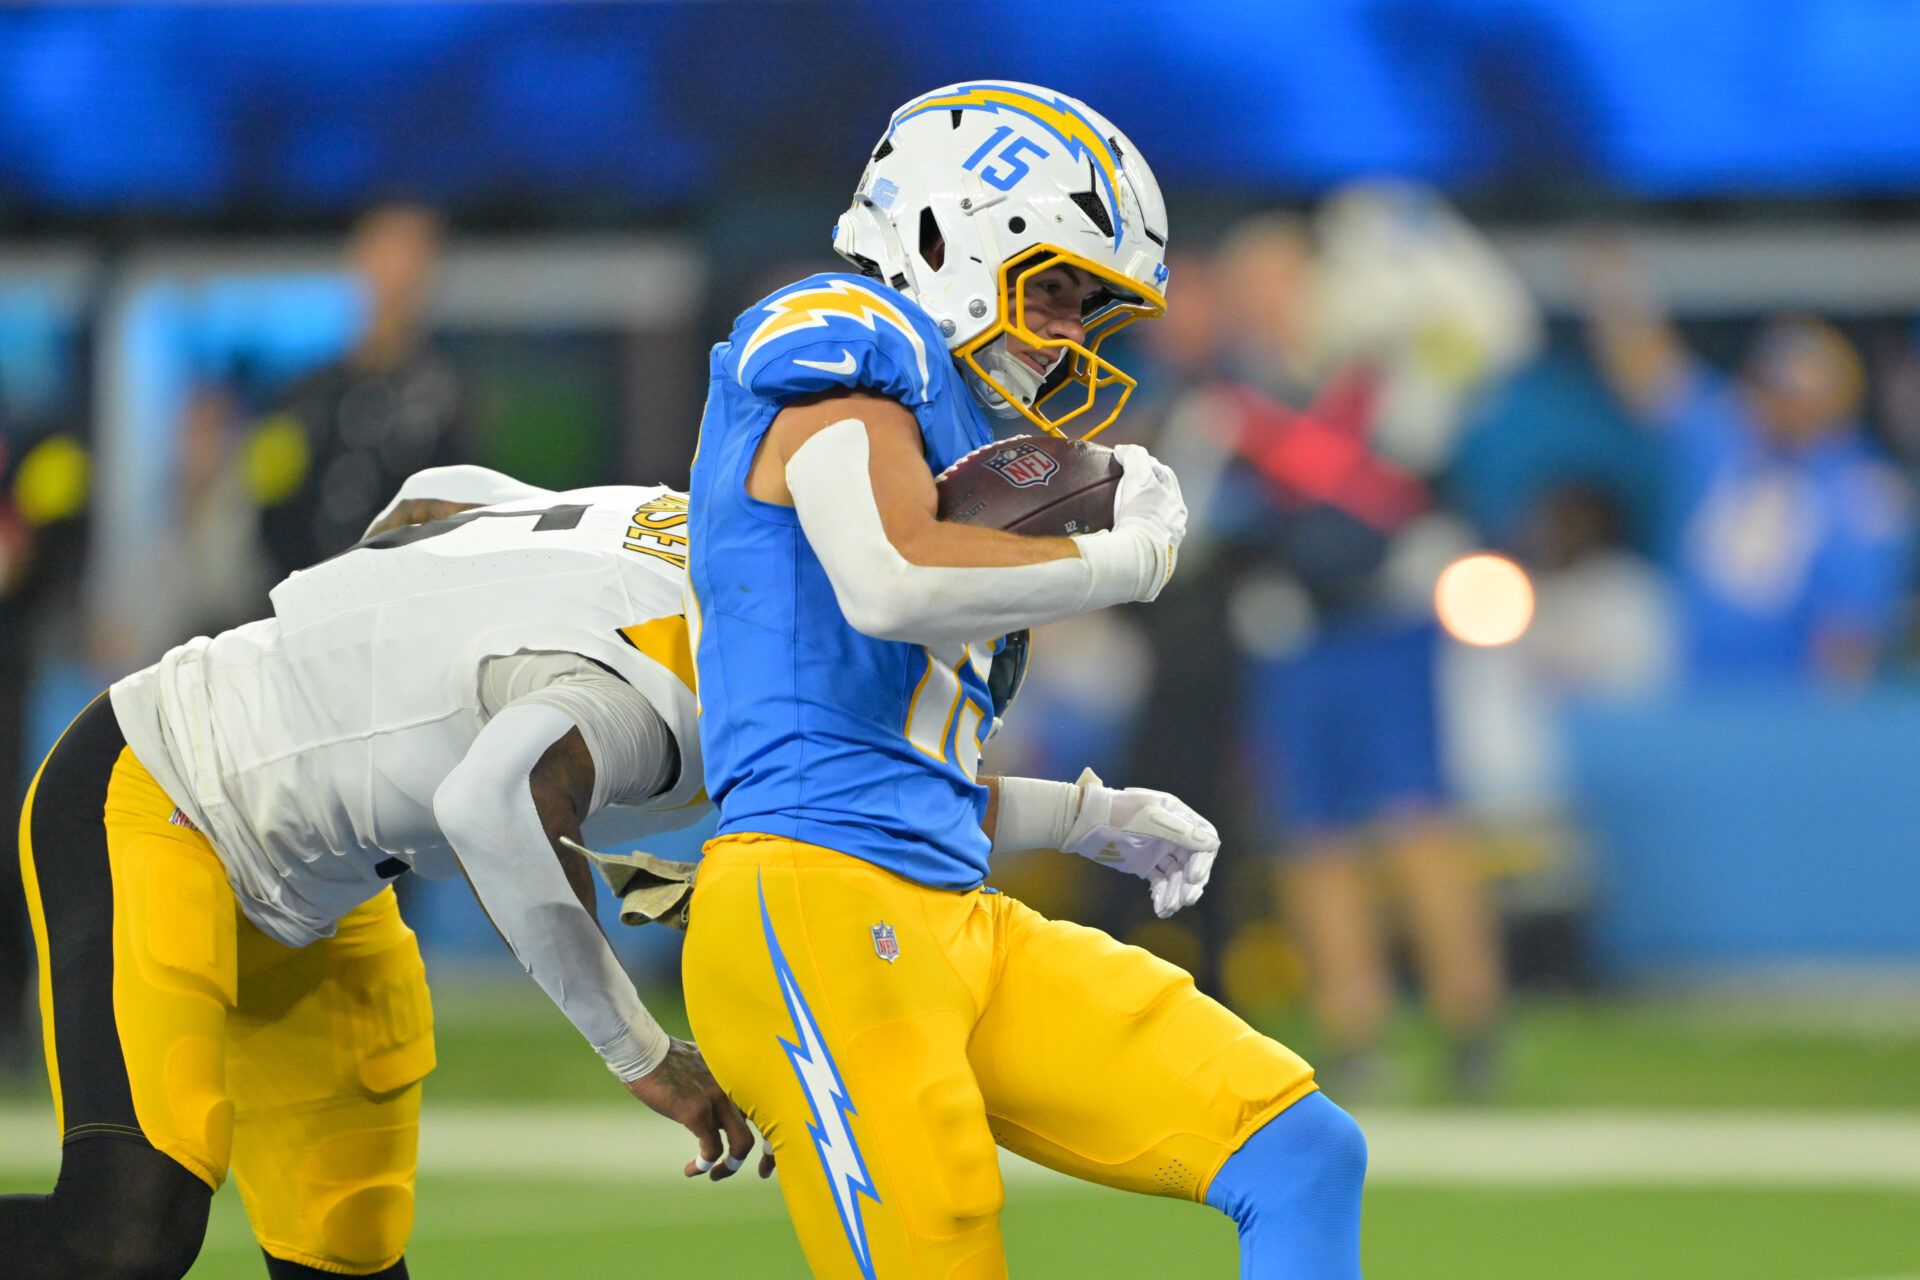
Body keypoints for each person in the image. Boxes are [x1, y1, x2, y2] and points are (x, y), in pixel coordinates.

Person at [681, 81, 1367, 1279]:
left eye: (1090, 311)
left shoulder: (946, 421)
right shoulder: (842, 331)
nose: (1071, 337)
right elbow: (888, 582)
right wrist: (1119, 558)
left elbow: (906, 759)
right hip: (816, 906)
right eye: (1053, 289)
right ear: (948, 230)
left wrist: (1090, 815)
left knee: (1299, 1148)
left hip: (942, 904)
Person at [0, 465, 755, 1279]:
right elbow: (498, 803)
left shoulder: (667, 519)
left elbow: (435, 495)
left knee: (344, 1252)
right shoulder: (679, 681)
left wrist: (347, 670)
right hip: (159, 786)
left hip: (325, 882)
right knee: (123, 1236)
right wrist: (639, 1052)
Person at [1577, 238, 1912, 685]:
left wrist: (1832, 719)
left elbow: (1852, 627)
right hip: (1686, 671)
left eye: (1797, 394)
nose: (1780, 405)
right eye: (1771, 387)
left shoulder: (1861, 487)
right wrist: (1614, 286)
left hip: (1787, 695)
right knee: (1621, 605)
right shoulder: (1726, 436)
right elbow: (1649, 374)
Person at [251, 202, 471, 585]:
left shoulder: (447, 404)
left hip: (400, 612)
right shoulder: (303, 398)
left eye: (414, 254)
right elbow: (265, 512)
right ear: (358, 258)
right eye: (385, 250)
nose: (398, 271)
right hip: (298, 612)